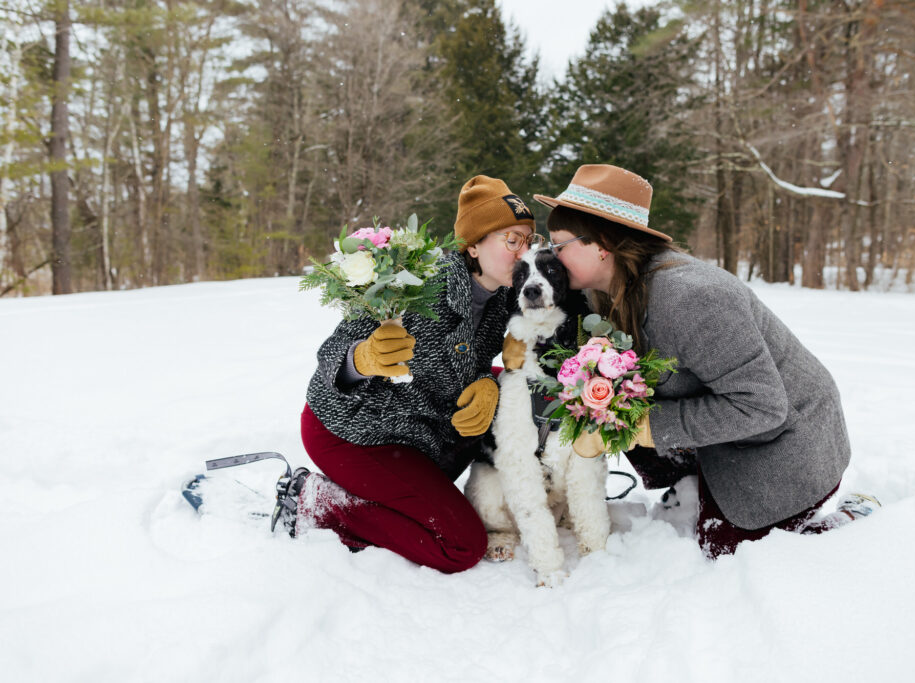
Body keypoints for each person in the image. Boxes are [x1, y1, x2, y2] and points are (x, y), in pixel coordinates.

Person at [534, 164, 879, 558]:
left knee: (728, 552)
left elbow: (762, 406)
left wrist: (643, 427)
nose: (552, 256)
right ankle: (697, 484)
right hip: (733, 432)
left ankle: (852, 519)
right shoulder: (604, 290)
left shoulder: (693, 298)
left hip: (788, 441)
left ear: (603, 244)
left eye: (560, 245)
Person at [282, 175, 542, 573]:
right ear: (473, 245)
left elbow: (472, 365)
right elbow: (329, 358)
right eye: (512, 240)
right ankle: (313, 501)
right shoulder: (418, 283)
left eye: (529, 240)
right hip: (351, 432)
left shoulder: (507, 294)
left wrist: (490, 382)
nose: (525, 252)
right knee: (460, 545)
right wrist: (363, 358)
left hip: (418, 432)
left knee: (517, 392)